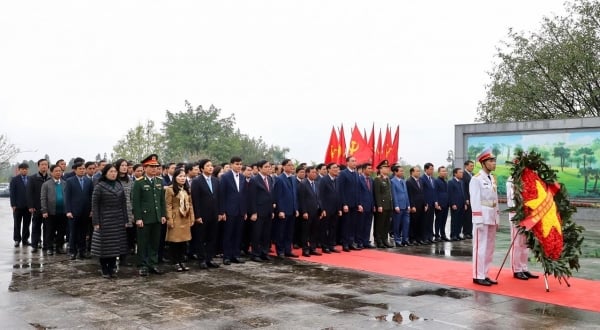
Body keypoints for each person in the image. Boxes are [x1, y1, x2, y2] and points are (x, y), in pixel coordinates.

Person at [91, 164, 129, 278]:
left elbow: (123, 204)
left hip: (117, 219)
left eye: (114, 172)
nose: (113, 174)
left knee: (115, 245)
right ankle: (104, 268)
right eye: (111, 172)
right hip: (104, 220)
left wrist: (125, 219)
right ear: (105, 173)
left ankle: (112, 267)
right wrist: (96, 222)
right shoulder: (99, 186)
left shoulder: (119, 185)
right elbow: (95, 205)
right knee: (105, 246)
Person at [132, 154, 167, 276]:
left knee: (155, 242)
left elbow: (162, 200)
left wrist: (163, 215)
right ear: (145, 167)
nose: (154, 169)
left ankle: (153, 264)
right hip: (144, 218)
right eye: (151, 166)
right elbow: (135, 202)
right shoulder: (139, 182)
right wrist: (138, 218)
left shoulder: (159, 181)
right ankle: (142, 265)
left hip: (156, 217)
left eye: (156, 166)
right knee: (143, 243)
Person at [470, 148, 499, 286]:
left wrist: (497, 217)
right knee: (480, 247)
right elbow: (475, 200)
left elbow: (495, 199)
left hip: (492, 216)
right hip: (481, 216)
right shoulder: (476, 179)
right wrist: (477, 219)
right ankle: (477, 275)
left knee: (489, 247)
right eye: (491, 161)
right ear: (483, 163)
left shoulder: (492, 178)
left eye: (494, 161)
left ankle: (485, 273)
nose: (494, 163)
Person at [506, 176, 540, 281]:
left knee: (525, 244)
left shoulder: (527, 178)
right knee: (517, 243)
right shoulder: (512, 180)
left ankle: (524, 268)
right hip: (517, 214)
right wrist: (519, 212)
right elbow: (512, 199)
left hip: (527, 215)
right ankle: (516, 270)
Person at [191, 159, 222, 269]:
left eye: (211, 165)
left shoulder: (216, 180)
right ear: (202, 168)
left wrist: (220, 212)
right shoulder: (197, 181)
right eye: (208, 166)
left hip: (214, 214)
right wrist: (197, 216)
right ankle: (202, 259)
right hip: (202, 215)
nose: (211, 167)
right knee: (201, 238)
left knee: (212, 237)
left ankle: (209, 258)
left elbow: (219, 198)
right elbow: (195, 200)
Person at [218, 156, 247, 265]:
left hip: (240, 210)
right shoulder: (225, 177)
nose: (239, 166)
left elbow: (244, 195)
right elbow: (222, 195)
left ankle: (236, 255)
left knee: (238, 234)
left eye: (240, 164)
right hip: (229, 210)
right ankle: (227, 256)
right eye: (237, 164)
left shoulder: (243, 177)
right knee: (228, 234)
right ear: (231, 165)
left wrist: (244, 211)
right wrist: (222, 211)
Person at [165, 168, 194, 271]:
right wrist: (169, 219)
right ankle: (175, 262)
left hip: (185, 217)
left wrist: (192, 217)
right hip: (175, 216)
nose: (182, 178)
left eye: (183, 176)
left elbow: (190, 204)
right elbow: (168, 205)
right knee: (175, 241)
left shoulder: (187, 189)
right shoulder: (170, 189)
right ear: (175, 177)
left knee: (184, 241)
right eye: (180, 176)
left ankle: (182, 261)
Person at [64, 162, 93, 260]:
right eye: (80, 169)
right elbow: (67, 197)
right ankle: (72, 251)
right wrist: (68, 211)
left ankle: (82, 251)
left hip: (86, 211)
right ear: (75, 170)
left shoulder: (88, 181)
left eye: (83, 168)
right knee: (73, 232)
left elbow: (91, 196)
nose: (82, 170)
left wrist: (91, 210)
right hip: (73, 212)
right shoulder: (70, 181)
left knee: (84, 233)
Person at [247, 160, 275, 262]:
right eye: (266, 167)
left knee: (266, 234)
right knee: (256, 234)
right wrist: (253, 212)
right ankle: (255, 254)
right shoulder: (254, 180)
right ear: (259, 168)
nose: (269, 169)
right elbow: (252, 197)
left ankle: (264, 252)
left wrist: (272, 211)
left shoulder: (270, 179)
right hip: (258, 212)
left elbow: (271, 196)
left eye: (269, 167)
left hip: (268, 211)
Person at [272, 159, 299, 258]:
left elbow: (294, 195)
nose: (292, 167)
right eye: (289, 165)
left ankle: (288, 250)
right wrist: (280, 210)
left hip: (292, 209)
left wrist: (296, 208)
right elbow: (278, 196)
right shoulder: (279, 179)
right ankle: (280, 251)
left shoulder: (293, 178)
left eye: (292, 165)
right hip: (283, 210)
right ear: (283, 167)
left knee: (289, 232)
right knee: (281, 232)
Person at [337, 156, 363, 252]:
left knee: (353, 224)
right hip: (347, 204)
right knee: (346, 224)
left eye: (355, 161)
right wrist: (344, 204)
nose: (354, 162)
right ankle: (345, 244)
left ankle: (351, 242)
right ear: (347, 163)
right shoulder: (343, 174)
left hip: (355, 204)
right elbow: (341, 190)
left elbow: (358, 190)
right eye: (352, 161)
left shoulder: (356, 174)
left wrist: (359, 203)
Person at [40, 164, 68, 255]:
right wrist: (44, 210)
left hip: (63, 212)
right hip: (50, 212)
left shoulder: (65, 183)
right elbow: (43, 198)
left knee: (61, 231)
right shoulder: (46, 184)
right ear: (51, 172)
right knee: (50, 231)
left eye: (60, 171)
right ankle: (49, 248)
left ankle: (59, 247)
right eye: (56, 171)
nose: (58, 172)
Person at [297, 166, 322, 257]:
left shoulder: (317, 183)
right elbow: (301, 199)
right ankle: (305, 249)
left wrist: (321, 209)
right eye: (312, 172)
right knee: (305, 232)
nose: (314, 174)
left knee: (314, 231)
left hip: (316, 211)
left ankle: (312, 248)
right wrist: (304, 212)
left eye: (315, 172)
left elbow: (319, 198)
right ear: (307, 173)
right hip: (307, 212)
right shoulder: (303, 184)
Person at [27, 158, 51, 253]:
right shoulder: (33, 178)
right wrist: (30, 206)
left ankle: (46, 245)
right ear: (38, 166)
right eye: (42, 164)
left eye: (45, 164)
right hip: (36, 207)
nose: (44, 166)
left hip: (48, 208)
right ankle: (34, 245)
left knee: (47, 227)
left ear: (48, 166)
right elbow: (29, 193)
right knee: (36, 226)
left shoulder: (50, 178)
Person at [318, 163, 341, 254]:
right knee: (325, 228)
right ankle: (325, 246)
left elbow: (338, 195)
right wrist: (322, 209)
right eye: (334, 168)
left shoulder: (337, 180)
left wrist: (339, 208)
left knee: (333, 227)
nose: (336, 169)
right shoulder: (324, 180)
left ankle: (331, 245)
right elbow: (320, 196)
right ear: (329, 170)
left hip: (335, 209)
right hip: (327, 209)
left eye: (337, 168)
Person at [115, 159, 135, 266]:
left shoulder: (130, 181)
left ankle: (124, 258)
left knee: (127, 236)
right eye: (122, 165)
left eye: (126, 165)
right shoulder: (114, 180)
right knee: (116, 236)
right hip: (116, 211)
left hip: (128, 210)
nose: (124, 167)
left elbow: (133, 198)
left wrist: (133, 213)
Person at [373, 160, 394, 248]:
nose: (387, 169)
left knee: (386, 224)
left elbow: (389, 193)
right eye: (385, 167)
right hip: (382, 205)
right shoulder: (378, 179)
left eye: (387, 167)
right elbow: (377, 194)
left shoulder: (388, 179)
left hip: (389, 205)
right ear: (380, 169)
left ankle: (385, 239)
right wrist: (379, 205)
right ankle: (378, 240)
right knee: (380, 224)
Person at [10, 163, 31, 248]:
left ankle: (25, 239)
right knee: (17, 224)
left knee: (27, 224)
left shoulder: (30, 179)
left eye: (26, 169)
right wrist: (13, 204)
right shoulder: (15, 180)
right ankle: (17, 240)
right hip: (17, 206)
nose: (24, 170)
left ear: (27, 170)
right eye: (22, 169)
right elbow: (12, 193)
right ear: (19, 170)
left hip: (28, 206)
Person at [391, 164, 411, 247]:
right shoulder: (392, 181)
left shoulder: (403, 181)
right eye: (401, 171)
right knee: (397, 224)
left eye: (403, 171)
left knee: (406, 223)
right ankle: (397, 240)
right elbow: (394, 194)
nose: (402, 172)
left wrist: (408, 205)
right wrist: (396, 205)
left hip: (405, 206)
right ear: (396, 172)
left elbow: (406, 194)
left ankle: (405, 239)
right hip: (398, 206)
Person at [406, 166, 427, 245]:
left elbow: (422, 193)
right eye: (417, 171)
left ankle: (419, 238)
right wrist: (412, 206)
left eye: (419, 171)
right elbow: (409, 195)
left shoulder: (420, 181)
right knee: (413, 223)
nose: (419, 172)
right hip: (414, 205)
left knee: (421, 222)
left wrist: (425, 204)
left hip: (421, 205)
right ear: (412, 172)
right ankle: (412, 238)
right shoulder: (409, 181)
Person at [357, 163, 375, 249]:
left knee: (368, 225)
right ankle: (359, 242)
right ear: (364, 170)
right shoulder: (359, 179)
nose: (370, 170)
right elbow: (357, 193)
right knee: (360, 225)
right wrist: (359, 204)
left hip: (370, 206)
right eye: (369, 168)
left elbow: (372, 193)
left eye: (371, 168)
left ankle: (366, 241)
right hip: (362, 206)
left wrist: (373, 204)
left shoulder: (371, 180)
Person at [419, 162, 438, 244]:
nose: (432, 171)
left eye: (433, 169)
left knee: (431, 221)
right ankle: (425, 237)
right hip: (426, 204)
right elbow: (422, 192)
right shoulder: (422, 179)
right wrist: (425, 203)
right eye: (430, 169)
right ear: (426, 169)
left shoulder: (433, 179)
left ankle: (430, 236)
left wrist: (436, 201)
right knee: (425, 221)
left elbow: (434, 191)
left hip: (432, 203)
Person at [448, 168, 467, 241]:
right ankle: (453, 235)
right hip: (455, 204)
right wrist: (452, 204)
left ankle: (458, 234)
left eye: (462, 172)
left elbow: (463, 193)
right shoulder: (451, 182)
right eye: (460, 172)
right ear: (455, 173)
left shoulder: (461, 182)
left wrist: (465, 203)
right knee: (454, 220)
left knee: (460, 220)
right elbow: (450, 194)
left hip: (462, 204)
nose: (462, 174)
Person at [434, 166, 450, 242]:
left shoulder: (445, 181)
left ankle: (443, 235)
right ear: (439, 172)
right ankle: (437, 235)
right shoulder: (436, 181)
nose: (445, 172)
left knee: (444, 220)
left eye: (445, 171)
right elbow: (435, 193)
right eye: (443, 171)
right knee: (438, 220)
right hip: (439, 204)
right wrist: (436, 203)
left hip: (446, 204)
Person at [462, 160, 475, 239]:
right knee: (467, 217)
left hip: (473, 199)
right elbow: (463, 188)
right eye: (471, 166)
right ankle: (466, 232)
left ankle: (470, 232)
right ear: (466, 166)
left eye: (473, 166)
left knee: (472, 216)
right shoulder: (463, 175)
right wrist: (466, 198)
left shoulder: (473, 175)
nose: (472, 167)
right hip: (467, 198)